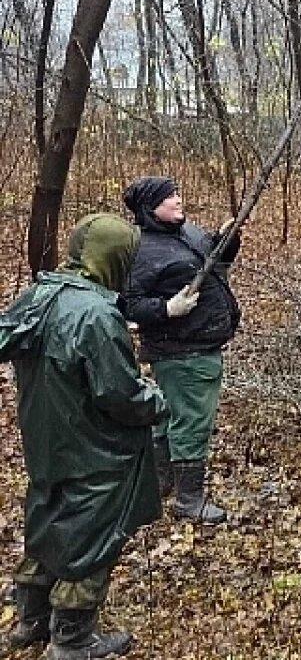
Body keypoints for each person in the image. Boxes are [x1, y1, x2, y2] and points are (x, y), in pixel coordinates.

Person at [0, 214, 165, 659]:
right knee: (92, 536)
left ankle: (31, 620)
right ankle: (72, 640)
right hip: (95, 447)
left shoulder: (39, 294)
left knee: (47, 518)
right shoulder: (97, 314)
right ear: (114, 258)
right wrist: (155, 399)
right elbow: (120, 394)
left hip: (45, 440)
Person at [123, 176, 241, 524]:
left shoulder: (186, 232)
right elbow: (127, 304)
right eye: (169, 197)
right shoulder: (141, 250)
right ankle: (189, 500)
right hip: (180, 351)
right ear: (150, 207)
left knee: (170, 417)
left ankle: (161, 484)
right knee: (191, 422)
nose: (178, 199)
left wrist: (226, 241)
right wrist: (166, 309)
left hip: (199, 344)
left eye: (176, 193)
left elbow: (214, 261)